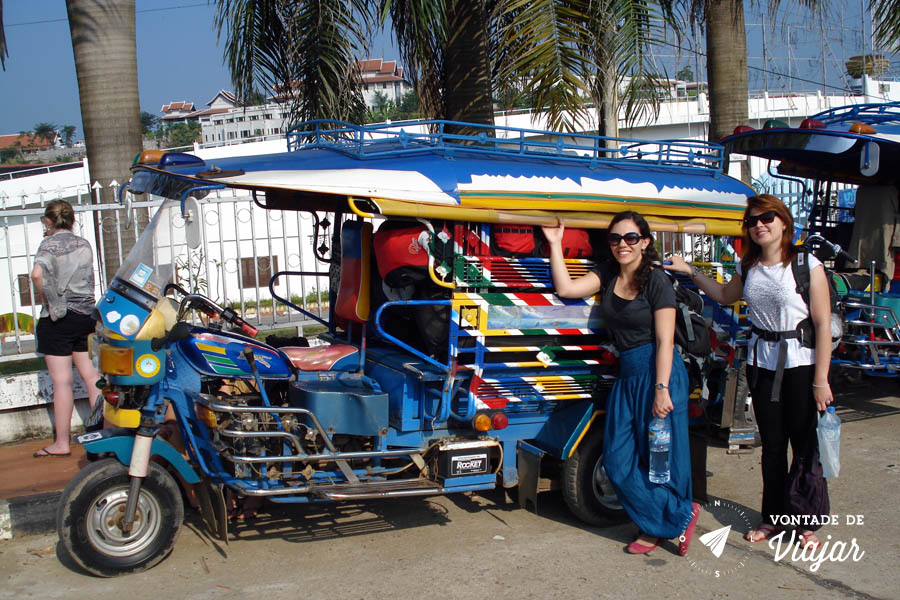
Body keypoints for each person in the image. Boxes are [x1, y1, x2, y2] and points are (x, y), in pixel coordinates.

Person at [665, 194, 833, 550]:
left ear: (784, 221)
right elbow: (725, 296)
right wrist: (691, 271)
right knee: (772, 447)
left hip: (801, 366)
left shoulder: (807, 264)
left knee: (804, 445)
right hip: (763, 365)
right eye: (753, 220)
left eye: (768, 217)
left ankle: (805, 523)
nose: (760, 225)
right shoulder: (749, 266)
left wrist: (821, 380)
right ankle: (772, 517)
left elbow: (822, 324)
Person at [544, 211, 701, 555]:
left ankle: (656, 526)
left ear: (645, 242)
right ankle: (677, 514)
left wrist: (661, 389)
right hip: (628, 373)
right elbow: (567, 288)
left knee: (661, 460)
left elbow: (665, 341)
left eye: (631, 238)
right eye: (615, 238)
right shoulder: (608, 274)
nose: (622, 245)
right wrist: (555, 244)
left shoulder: (656, 281)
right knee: (617, 460)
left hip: (659, 371)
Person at [31, 200, 101, 458]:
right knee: (92, 376)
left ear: (48, 221)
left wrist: (48, 298)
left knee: (62, 382)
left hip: (58, 317)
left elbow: (37, 274)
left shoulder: (48, 244)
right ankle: (99, 431)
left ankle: (61, 443)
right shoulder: (84, 244)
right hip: (85, 315)